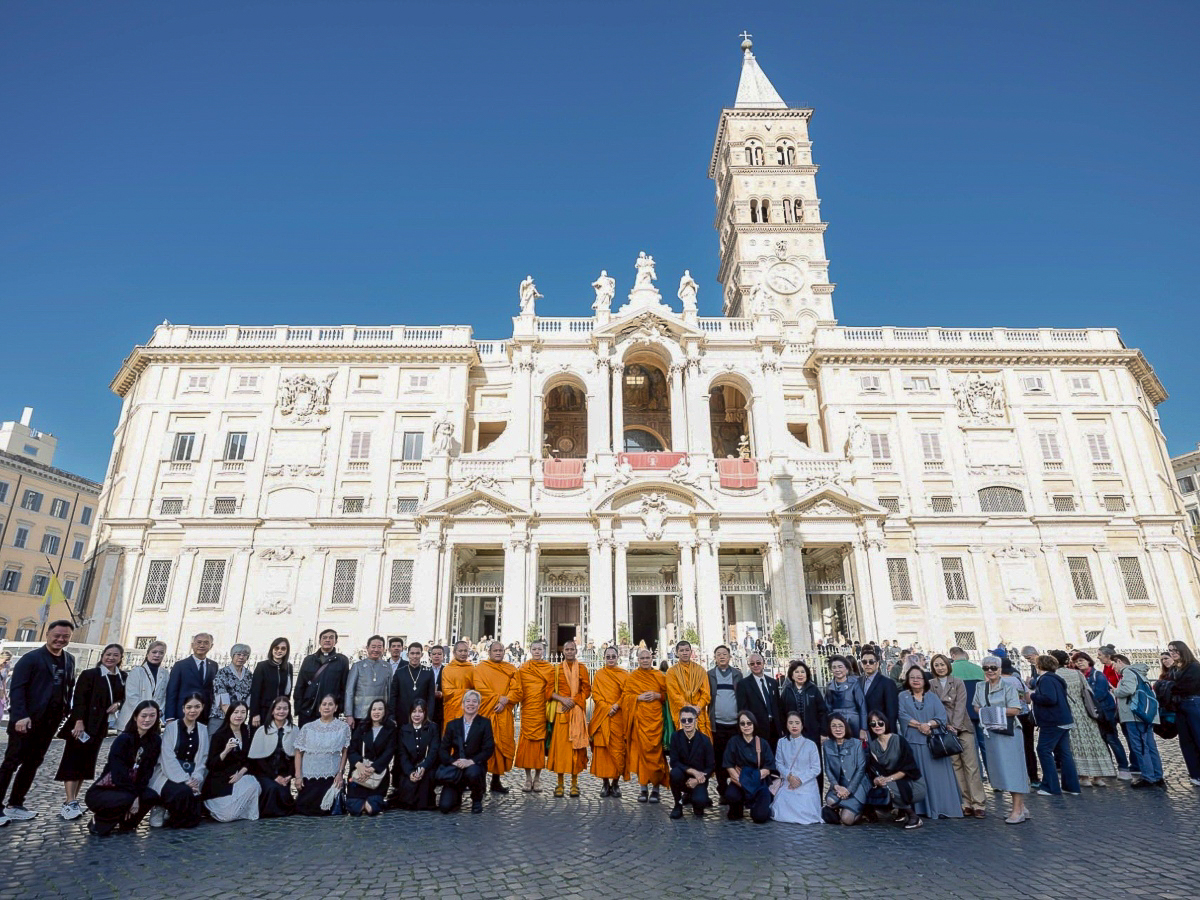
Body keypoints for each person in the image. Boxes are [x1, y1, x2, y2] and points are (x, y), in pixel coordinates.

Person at [0, 619, 76, 824]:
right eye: (57, 635)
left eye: (65, 636)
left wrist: (65, 712)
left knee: (32, 764)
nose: (60, 639)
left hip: (49, 723)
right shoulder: (31, 658)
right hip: (25, 721)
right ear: (48, 635)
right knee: (11, 763)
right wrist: (20, 716)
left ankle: (16, 804)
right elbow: (17, 689)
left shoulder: (69, 659)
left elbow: (68, 687)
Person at [55, 642, 127, 821]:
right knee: (72, 762)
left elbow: (124, 697)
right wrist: (78, 722)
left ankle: (73, 801)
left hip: (99, 727)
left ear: (120, 658)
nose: (111, 658)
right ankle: (69, 800)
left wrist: (118, 704)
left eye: (115, 655)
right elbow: (79, 699)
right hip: (83, 725)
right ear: (102, 655)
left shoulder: (122, 677)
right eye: (108, 654)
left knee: (85, 764)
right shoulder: (90, 674)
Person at [84, 700, 162, 836]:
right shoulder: (123, 740)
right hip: (105, 790)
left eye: (152, 716)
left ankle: (127, 822)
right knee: (126, 799)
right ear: (135, 717)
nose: (147, 719)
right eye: (143, 716)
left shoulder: (155, 741)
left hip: (130, 790)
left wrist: (135, 795)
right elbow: (118, 774)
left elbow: (146, 773)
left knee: (151, 796)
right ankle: (99, 821)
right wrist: (134, 797)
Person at [898, 665, 963, 818]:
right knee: (919, 777)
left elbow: (941, 717)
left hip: (932, 743)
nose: (915, 680)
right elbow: (902, 715)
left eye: (918, 677)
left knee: (938, 778)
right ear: (907, 679)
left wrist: (928, 725)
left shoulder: (932, 696)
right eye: (912, 677)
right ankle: (921, 809)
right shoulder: (902, 696)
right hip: (913, 742)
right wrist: (920, 725)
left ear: (924, 680)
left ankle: (942, 807)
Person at [929, 653, 986, 817]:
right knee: (956, 766)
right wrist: (946, 725)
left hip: (963, 727)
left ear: (948, 665)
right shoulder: (931, 684)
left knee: (971, 765)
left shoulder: (958, 682)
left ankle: (978, 802)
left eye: (942, 664)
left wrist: (955, 725)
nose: (940, 667)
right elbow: (935, 706)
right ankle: (965, 801)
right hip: (944, 728)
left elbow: (961, 704)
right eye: (937, 665)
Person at [974, 656, 1029, 823]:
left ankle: (1017, 809)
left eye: (993, 667)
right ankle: (1022, 807)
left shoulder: (1009, 686)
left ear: (999, 669)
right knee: (1001, 771)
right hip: (991, 733)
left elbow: (1015, 709)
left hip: (1009, 733)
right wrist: (987, 713)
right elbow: (976, 706)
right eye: (986, 668)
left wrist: (989, 712)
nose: (989, 670)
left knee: (1014, 770)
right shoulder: (980, 686)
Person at [1047, 649, 1114, 787]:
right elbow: (1087, 691)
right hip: (1084, 712)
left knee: (1076, 745)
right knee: (1094, 742)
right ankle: (1098, 777)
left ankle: (1083, 777)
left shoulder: (1053, 676)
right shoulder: (1077, 673)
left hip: (1067, 713)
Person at [149, 692, 209, 828]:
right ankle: (160, 805)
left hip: (191, 774)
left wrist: (196, 777)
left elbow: (202, 758)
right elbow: (167, 757)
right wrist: (184, 780)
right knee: (182, 792)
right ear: (183, 709)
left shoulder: (203, 730)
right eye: (189, 707)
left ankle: (174, 811)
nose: (193, 710)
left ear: (202, 707)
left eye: (197, 707)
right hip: (167, 773)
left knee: (194, 808)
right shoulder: (171, 728)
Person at [1072, 650, 1130, 779]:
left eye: (1081, 660)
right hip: (1092, 713)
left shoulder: (1097, 675)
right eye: (1076, 662)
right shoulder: (1080, 676)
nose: (1078, 663)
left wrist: (1086, 703)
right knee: (1101, 741)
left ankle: (1124, 768)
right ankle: (1108, 768)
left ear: (1088, 661)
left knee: (1112, 739)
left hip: (1105, 712)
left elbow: (1100, 694)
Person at [1029, 654, 1081, 796]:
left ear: (1039, 666)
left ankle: (1050, 786)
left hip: (1052, 721)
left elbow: (1050, 698)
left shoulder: (1045, 679)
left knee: (1044, 750)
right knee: (1064, 753)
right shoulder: (1056, 678)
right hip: (1063, 719)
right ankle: (1071, 786)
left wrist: (1032, 696)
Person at [865, 712, 927, 830]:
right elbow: (876, 770)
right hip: (892, 784)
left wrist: (888, 779)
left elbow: (908, 767)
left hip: (912, 783)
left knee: (887, 786)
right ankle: (900, 812)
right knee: (881, 785)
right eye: (873, 724)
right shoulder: (873, 746)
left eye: (880, 722)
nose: (877, 726)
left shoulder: (898, 740)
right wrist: (877, 779)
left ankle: (913, 816)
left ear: (886, 723)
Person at [436, 689, 494, 814]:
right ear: (462, 705)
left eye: (474, 701)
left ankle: (476, 798)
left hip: (474, 766)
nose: (471, 704)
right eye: (467, 701)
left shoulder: (485, 723)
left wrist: (471, 761)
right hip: (456, 767)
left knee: (473, 773)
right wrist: (453, 762)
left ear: (479, 705)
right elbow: (443, 749)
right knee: (445, 807)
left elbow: (488, 749)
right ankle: (457, 794)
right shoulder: (452, 725)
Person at [1112, 654, 1165, 788]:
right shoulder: (1139, 672)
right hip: (1145, 716)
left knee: (1140, 746)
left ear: (1119, 661)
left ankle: (1148, 777)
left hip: (1134, 716)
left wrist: (1115, 691)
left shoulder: (1128, 672)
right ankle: (1157, 775)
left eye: (1114, 665)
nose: (1114, 669)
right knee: (1150, 746)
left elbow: (1128, 689)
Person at [623, 647, 668, 803]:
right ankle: (643, 789)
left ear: (652, 659)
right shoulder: (632, 677)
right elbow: (625, 697)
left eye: (647, 658)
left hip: (656, 722)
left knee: (656, 755)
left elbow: (667, 696)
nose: (644, 661)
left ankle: (656, 790)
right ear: (638, 660)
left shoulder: (659, 676)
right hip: (640, 721)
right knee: (641, 755)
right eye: (641, 658)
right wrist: (638, 697)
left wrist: (657, 695)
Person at [473, 640, 519, 794]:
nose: (498, 653)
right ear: (489, 652)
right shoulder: (480, 669)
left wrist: (506, 700)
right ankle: (480, 782)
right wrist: (499, 698)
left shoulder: (511, 669)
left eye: (500, 650)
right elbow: (479, 688)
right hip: (486, 712)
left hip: (503, 712)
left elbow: (517, 690)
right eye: (495, 651)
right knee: (483, 747)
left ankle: (496, 781)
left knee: (500, 747)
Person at [546, 638, 591, 798]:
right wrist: (562, 699)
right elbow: (549, 692)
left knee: (576, 750)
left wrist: (573, 701)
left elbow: (587, 690)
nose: (570, 652)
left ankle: (574, 784)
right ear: (563, 652)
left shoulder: (583, 668)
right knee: (560, 751)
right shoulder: (556, 669)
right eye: (567, 649)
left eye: (572, 649)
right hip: (561, 713)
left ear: (576, 651)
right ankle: (559, 784)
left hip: (576, 712)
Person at [203, 700, 260, 821]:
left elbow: (251, 759)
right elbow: (211, 765)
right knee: (226, 816)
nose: (239, 715)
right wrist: (225, 751)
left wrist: (240, 774)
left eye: (243, 712)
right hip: (221, 780)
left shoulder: (248, 732)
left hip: (240, 776)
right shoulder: (219, 735)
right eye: (236, 712)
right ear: (229, 714)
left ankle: (241, 811)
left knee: (253, 784)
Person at [294, 694, 351, 815]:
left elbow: (345, 751)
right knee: (304, 810)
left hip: (331, 776)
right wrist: (298, 776)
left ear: (335, 708)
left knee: (327, 810)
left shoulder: (343, 727)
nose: (327, 707)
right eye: (324, 704)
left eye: (330, 704)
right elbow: (298, 752)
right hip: (309, 776)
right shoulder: (307, 728)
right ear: (319, 707)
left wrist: (340, 773)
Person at [515, 639, 554, 791]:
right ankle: (528, 778)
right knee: (526, 743)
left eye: (540, 649)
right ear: (530, 651)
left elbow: (552, 688)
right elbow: (518, 688)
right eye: (534, 649)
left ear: (543, 651)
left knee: (539, 744)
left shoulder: (549, 668)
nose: (537, 651)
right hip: (528, 709)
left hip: (541, 709)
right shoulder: (524, 668)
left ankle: (537, 778)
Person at [246, 696, 296, 817]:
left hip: (284, 774)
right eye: (278, 708)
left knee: (283, 793)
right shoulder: (261, 730)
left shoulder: (295, 730)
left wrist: (289, 776)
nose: (281, 711)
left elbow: (296, 757)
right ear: (272, 711)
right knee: (272, 789)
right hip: (265, 774)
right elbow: (258, 759)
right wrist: (274, 777)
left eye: (285, 708)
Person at [722, 709, 775, 823]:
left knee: (760, 818)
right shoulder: (733, 742)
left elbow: (768, 768)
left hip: (759, 783)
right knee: (731, 798)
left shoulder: (762, 743)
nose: (746, 726)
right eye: (742, 723)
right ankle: (737, 808)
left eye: (749, 723)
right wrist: (741, 781)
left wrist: (750, 779)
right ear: (739, 726)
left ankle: (759, 806)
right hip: (739, 782)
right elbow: (729, 765)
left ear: (754, 724)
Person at [346, 698, 396, 816]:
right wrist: (359, 765)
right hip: (359, 773)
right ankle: (362, 802)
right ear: (370, 711)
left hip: (377, 773)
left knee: (372, 809)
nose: (376, 712)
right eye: (374, 709)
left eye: (380, 709)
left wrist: (373, 768)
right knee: (354, 809)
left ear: (385, 712)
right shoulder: (362, 727)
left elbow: (389, 752)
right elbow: (351, 749)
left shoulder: (390, 729)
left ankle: (372, 803)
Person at [590, 645, 628, 797]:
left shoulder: (624, 674)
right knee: (603, 750)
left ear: (617, 657)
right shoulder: (599, 674)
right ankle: (605, 783)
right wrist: (607, 707)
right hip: (603, 716)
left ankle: (616, 783)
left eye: (613, 656)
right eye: (608, 656)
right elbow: (595, 694)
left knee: (619, 750)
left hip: (618, 717)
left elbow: (627, 693)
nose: (611, 659)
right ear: (604, 658)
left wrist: (616, 705)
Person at [771, 711, 821, 824]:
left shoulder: (811, 744)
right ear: (787, 725)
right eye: (791, 723)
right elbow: (779, 763)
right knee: (782, 812)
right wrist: (789, 777)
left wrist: (800, 780)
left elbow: (816, 768)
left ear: (802, 725)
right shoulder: (781, 742)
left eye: (797, 723)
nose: (794, 726)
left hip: (806, 783)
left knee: (806, 814)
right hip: (788, 781)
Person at [706, 645, 742, 801]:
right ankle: (722, 788)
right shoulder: (709, 675)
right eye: (719, 654)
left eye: (724, 654)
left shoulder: (737, 674)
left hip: (734, 724)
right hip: (717, 724)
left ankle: (734, 786)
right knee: (719, 758)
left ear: (729, 657)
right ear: (715, 657)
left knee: (734, 757)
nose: (722, 657)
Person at [294, 630, 350, 726]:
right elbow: (300, 685)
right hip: (308, 709)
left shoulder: (342, 661)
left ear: (335, 641)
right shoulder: (308, 660)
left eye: (331, 637)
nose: (327, 640)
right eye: (324, 637)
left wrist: (339, 708)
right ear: (320, 641)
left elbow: (344, 686)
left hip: (329, 710)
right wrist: (298, 707)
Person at [668, 706, 714, 819]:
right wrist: (693, 772)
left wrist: (697, 780)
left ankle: (694, 797)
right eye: (683, 720)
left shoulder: (705, 740)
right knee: (674, 773)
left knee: (699, 808)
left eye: (690, 720)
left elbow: (711, 766)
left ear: (696, 720)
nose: (687, 723)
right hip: (681, 778)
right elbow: (673, 762)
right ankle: (678, 805)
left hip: (699, 781)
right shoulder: (675, 737)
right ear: (680, 721)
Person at [821, 713, 867, 825]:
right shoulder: (827, 745)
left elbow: (861, 769)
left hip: (856, 786)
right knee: (830, 801)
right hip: (839, 785)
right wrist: (836, 786)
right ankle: (840, 807)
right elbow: (828, 769)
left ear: (846, 727)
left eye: (840, 726)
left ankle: (861, 812)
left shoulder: (856, 743)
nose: (838, 729)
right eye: (834, 726)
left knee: (847, 820)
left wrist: (849, 790)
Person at [394, 700, 439, 810]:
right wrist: (410, 772)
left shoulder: (432, 728)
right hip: (409, 768)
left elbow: (433, 751)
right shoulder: (404, 730)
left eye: (420, 711)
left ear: (425, 713)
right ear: (410, 713)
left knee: (423, 802)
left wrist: (423, 767)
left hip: (427, 769)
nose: (417, 715)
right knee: (408, 796)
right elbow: (402, 754)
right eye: (414, 711)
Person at [1166, 641, 1200, 785]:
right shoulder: (1174, 669)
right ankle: (1195, 774)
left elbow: (1188, 685)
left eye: (1175, 650)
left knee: (1198, 737)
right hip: (1179, 705)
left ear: (1182, 651)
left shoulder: (1193, 666)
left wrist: (1171, 687)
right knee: (1185, 740)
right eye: (1170, 650)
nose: (1172, 653)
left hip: (1193, 703)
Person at [164, 632, 216, 724]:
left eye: (206, 643)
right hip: (182, 714)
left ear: (211, 646)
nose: (202, 645)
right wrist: (170, 717)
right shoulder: (180, 665)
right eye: (199, 642)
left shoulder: (213, 665)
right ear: (192, 645)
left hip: (204, 716)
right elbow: (172, 692)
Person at [117, 641, 168, 731]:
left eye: (161, 653)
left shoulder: (165, 673)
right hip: (132, 718)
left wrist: (158, 711)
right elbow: (132, 696)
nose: (157, 655)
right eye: (154, 652)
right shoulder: (136, 672)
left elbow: (164, 695)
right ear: (148, 653)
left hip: (153, 720)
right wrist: (145, 712)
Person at [665, 641, 711, 739]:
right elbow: (674, 695)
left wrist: (698, 707)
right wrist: (689, 708)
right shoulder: (671, 672)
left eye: (687, 650)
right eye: (681, 651)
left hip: (699, 713)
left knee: (702, 742)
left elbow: (706, 694)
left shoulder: (700, 670)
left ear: (691, 652)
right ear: (677, 653)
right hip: (681, 713)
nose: (684, 653)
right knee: (683, 743)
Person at [344, 635, 391, 730]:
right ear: (367, 648)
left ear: (383, 649)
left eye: (379, 647)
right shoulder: (358, 666)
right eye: (373, 647)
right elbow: (349, 691)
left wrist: (390, 713)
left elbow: (390, 692)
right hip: (360, 714)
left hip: (381, 714)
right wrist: (349, 714)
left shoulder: (387, 667)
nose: (376, 650)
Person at [780, 660, 828, 753]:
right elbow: (781, 712)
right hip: (793, 732)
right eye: (797, 672)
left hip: (812, 732)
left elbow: (822, 711)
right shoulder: (787, 690)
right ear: (792, 675)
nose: (800, 675)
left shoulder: (813, 689)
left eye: (802, 672)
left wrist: (823, 732)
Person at [736, 653, 783, 745]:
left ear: (763, 663)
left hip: (774, 728)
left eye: (758, 662)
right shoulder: (743, 684)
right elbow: (743, 709)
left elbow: (778, 705)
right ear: (749, 666)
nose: (756, 665)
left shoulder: (773, 682)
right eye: (752, 664)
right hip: (757, 728)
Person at [390, 642, 436, 736]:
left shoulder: (428, 672)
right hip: (402, 715)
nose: (415, 656)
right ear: (407, 655)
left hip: (421, 716)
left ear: (422, 655)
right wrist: (392, 716)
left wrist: (429, 717)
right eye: (412, 653)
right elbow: (393, 696)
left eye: (417, 653)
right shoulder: (399, 672)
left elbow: (431, 697)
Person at [209, 644, 253, 736]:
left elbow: (250, 696)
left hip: (238, 719)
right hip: (220, 717)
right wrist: (232, 717)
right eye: (238, 654)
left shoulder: (249, 675)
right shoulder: (223, 672)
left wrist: (239, 716)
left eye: (244, 655)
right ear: (232, 655)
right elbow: (222, 699)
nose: (241, 657)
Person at [249, 637, 292, 728]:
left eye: (283, 648)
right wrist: (255, 713)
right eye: (276, 648)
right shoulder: (262, 666)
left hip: (280, 711)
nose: (279, 651)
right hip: (263, 710)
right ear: (272, 649)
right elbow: (255, 691)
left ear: (286, 651)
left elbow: (288, 691)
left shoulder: (289, 667)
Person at [824, 656, 867, 738]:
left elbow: (862, 706)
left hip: (853, 721)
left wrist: (863, 728)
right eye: (834, 667)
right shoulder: (829, 686)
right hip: (836, 723)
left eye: (840, 667)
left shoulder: (855, 683)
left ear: (847, 669)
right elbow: (827, 708)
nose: (837, 670)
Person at [440, 641, 476, 734]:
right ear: (454, 652)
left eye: (465, 651)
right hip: (453, 708)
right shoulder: (447, 669)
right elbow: (447, 691)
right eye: (460, 651)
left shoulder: (472, 668)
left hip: (469, 709)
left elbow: (477, 689)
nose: (463, 653)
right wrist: (466, 692)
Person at [860, 649, 899, 733]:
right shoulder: (858, 681)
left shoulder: (887, 683)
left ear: (877, 664)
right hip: (864, 730)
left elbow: (892, 712)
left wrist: (890, 733)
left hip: (882, 729)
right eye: (864, 662)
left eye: (871, 662)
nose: (867, 664)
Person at [428, 644, 446, 728]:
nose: (436, 656)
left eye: (439, 654)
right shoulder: (425, 670)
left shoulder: (447, 671)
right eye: (434, 654)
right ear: (430, 655)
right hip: (427, 707)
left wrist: (442, 693)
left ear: (443, 656)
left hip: (441, 708)